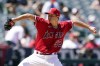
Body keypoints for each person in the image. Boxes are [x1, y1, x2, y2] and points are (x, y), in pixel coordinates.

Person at [4, 8, 97, 66]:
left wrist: (89, 27)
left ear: (57, 17)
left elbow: (74, 21)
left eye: (51, 15)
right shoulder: (43, 23)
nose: (48, 17)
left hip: (52, 59)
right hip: (36, 57)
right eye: (48, 15)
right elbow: (29, 16)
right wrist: (13, 20)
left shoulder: (63, 26)